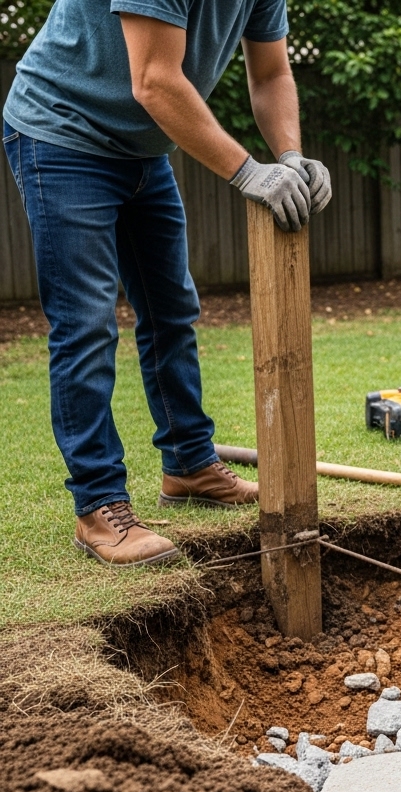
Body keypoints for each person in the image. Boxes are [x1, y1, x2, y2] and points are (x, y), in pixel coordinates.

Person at [3, 0, 331, 567]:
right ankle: (98, 507)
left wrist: (291, 156)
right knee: (86, 324)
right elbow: (155, 80)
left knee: (171, 309)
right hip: (62, 134)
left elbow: (272, 72)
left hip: (142, 149)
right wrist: (250, 172)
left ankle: (188, 464)